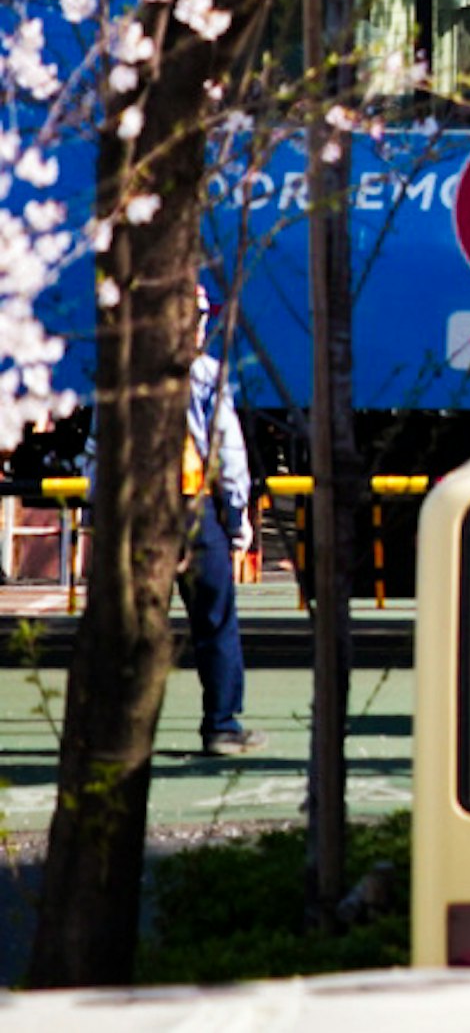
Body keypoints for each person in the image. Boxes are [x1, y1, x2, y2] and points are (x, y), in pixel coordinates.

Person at [184, 280, 257, 756]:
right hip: (193, 507)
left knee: (128, 624)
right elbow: (228, 453)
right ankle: (221, 725)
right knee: (215, 617)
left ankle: (111, 731)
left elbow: (97, 451)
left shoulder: (122, 376)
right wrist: (237, 519)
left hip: (135, 511)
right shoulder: (208, 374)